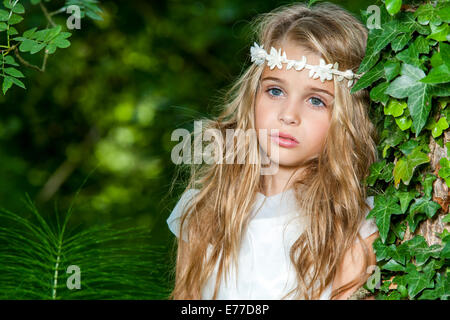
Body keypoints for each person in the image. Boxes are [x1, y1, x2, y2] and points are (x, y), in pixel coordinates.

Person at [166, 1, 380, 300]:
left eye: (316, 100)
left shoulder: (356, 226)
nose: (288, 115)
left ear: (347, 118)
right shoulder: (204, 209)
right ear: (252, 95)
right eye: (275, 91)